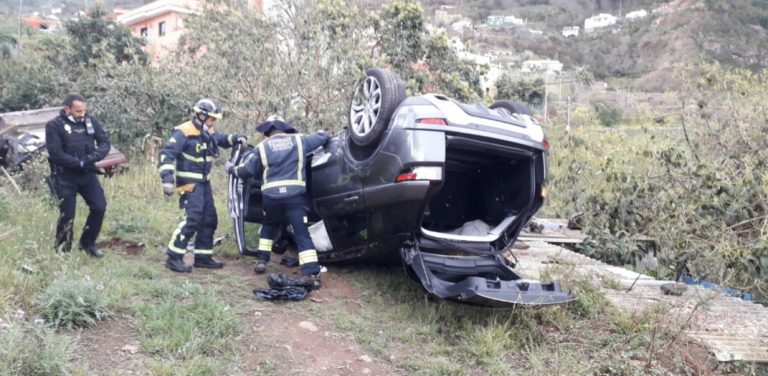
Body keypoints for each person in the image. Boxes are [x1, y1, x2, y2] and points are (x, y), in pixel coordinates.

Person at [225, 116, 329, 276]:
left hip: (271, 198)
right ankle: (311, 270)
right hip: (294, 197)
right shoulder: (299, 141)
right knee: (301, 232)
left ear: (267, 132)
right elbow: (322, 137)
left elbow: (247, 171)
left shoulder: (262, 147)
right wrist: (326, 132)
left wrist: (231, 168)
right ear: (286, 129)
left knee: (268, 225)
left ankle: (262, 260)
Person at [158, 98, 247, 273]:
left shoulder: (207, 131)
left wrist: (237, 138)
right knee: (192, 219)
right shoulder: (183, 132)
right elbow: (166, 155)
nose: (213, 123)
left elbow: (222, 138)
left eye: (215, 120)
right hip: (189, 184)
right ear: (201, 115)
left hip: (204, 183)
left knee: (209, 219)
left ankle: (203, 257)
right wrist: (167, 180)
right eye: (211, 119)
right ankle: (173, 257)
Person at [45, 93, 110, 257]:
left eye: (84, 111)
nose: (82, 114)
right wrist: (78, 163)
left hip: (87, 173)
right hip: (65, 176)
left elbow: (104, 143)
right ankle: (63, 251)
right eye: (78, 111)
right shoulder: (54, 125)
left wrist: (92, 158)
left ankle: (87, 244)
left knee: (99, 207)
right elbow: (55, 154)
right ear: (67, 109)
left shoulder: (90, 121)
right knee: (67, 215)